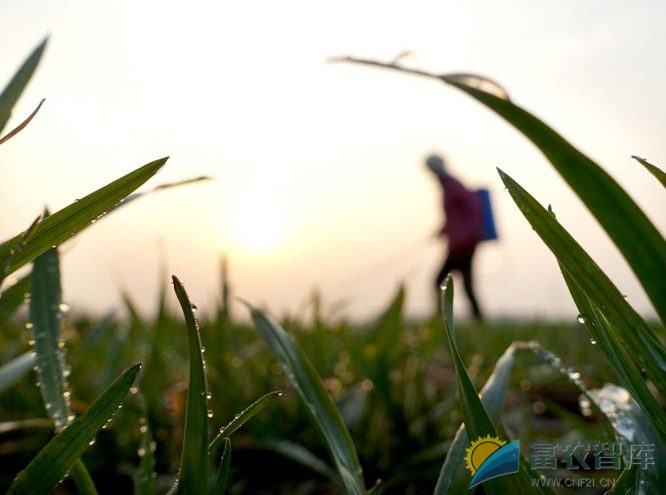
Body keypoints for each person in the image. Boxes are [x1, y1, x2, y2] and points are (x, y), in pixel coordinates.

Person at [426, 154, 484, 320]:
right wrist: (443, 230)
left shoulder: (452, 185)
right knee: (466, 285)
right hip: (458, 244)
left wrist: (464, 237)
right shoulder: (446, 186)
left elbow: (472, 210)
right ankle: (477, 319)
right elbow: (454, 216)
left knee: (440, 281)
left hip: (463, 245)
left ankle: (441, 319)